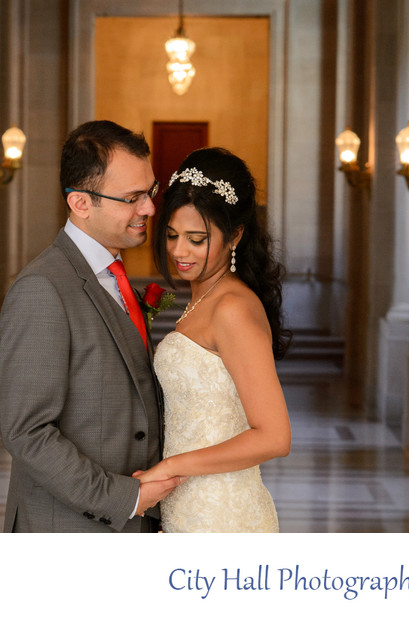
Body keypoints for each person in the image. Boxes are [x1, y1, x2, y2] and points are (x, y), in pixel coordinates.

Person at [0, 120, 183, 532]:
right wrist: (126, 498)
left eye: (149, 192)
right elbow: (27, 432)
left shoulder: (115, 276)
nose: (150, 208)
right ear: (81, 203)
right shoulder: (42, 290)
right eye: (133, 197)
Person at [134, 147, 292, 532]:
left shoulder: (232, 308)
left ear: (235, 234)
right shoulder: (205, 297)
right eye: (171, 235)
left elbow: (274, 437)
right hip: (188, 503)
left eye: (196, 239)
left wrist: (171, 466)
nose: (178, 251)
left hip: (222, 514)